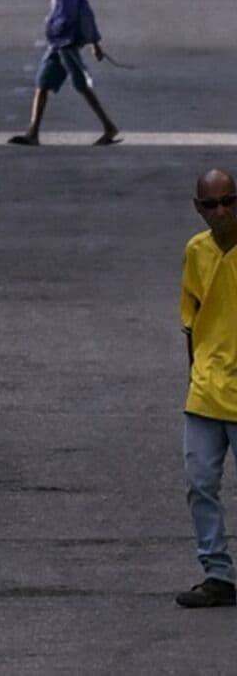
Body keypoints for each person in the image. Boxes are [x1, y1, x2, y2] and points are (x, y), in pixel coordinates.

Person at [176, 169, 237, 607]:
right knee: (200, 483)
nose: (221, 212)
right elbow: (190, 320)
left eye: (228, 201)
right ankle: (217, 573)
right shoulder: (196, 251)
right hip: (206, 390)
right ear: (198, 208)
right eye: (211, 205)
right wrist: (195, 373)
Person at [8, 0, 120, 145]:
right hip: (58, 43)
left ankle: (109, 126)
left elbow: (75, 13)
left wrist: (91, 42)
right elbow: (84, 10)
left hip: (65, 43)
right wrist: (94, 43)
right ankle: (33, 133)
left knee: (82, 85)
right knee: (42, 83)